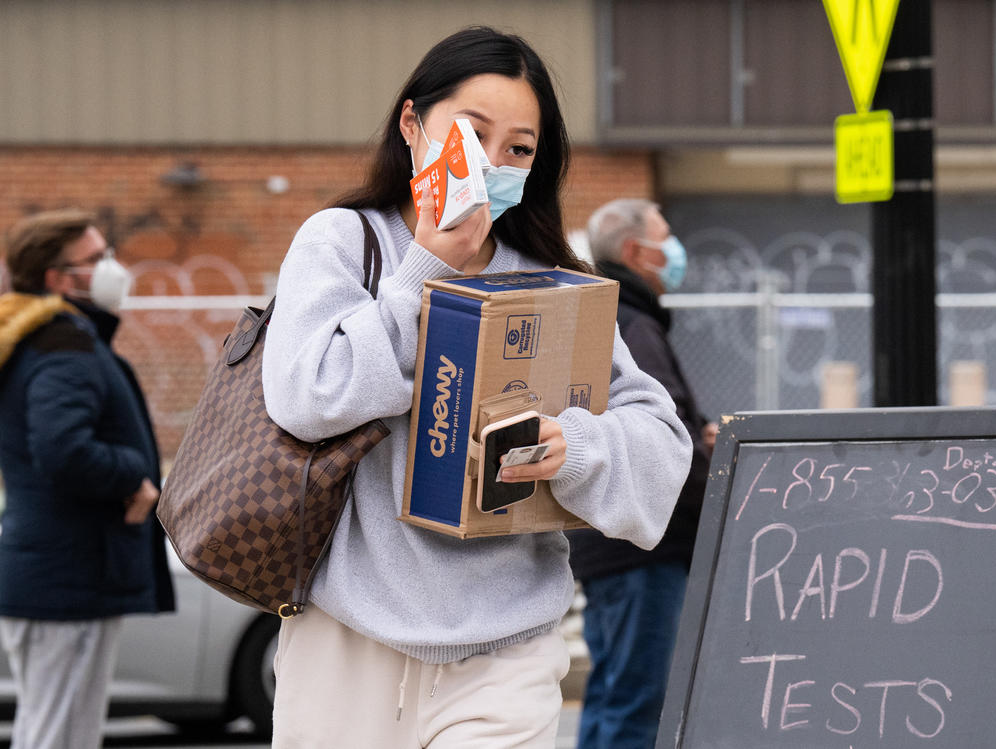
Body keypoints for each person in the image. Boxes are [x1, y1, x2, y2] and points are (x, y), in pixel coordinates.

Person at [261, 27, 692, 748]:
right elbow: (308, 397)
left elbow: (659, 443)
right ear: (412, 125)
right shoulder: (342, 241)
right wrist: (426, 269)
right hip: (346, 644)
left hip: (507, 651)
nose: (492, 163)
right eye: (471, 131)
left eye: (519, 149)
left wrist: (575, 444)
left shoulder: (553, 275)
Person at [0, 209, 175, 749]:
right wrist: (136, 476)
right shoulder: (64, 348)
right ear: (58, 279)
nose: (111, 267)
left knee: (53, 730)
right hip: (67, 577)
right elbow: (63, 450)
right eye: (96, 259)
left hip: (63, 573)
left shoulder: (54, 340)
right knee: (59, 736)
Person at [568, 198, 718, 749]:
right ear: (635, 252)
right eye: (666, 238)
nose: (675, 252)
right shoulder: (633, 325)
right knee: (638, 702)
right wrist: (718, 498)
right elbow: (666, 433)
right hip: (643, 547)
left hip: (607, 541)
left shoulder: (606, 316)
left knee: (612, 694)